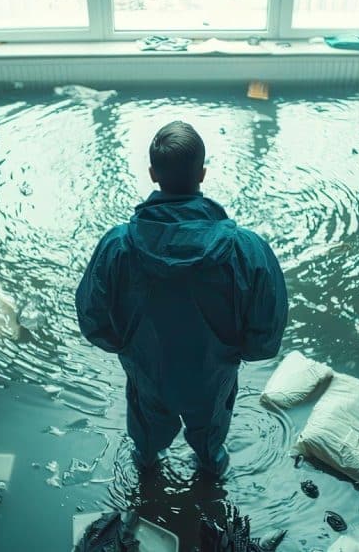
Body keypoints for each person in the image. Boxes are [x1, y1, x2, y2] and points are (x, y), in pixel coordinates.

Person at [76, 121, 288, 476]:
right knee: (210, 429)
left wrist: (127, 346)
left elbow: (92, 318)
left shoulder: (118, 246)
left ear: (152, 174)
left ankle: (146, 462)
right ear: (202, 174)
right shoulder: (246, 249)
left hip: (147, 370)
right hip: (212, 373)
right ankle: (210, 464)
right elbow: (267, 330)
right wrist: (238, 353)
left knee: (146, 425)